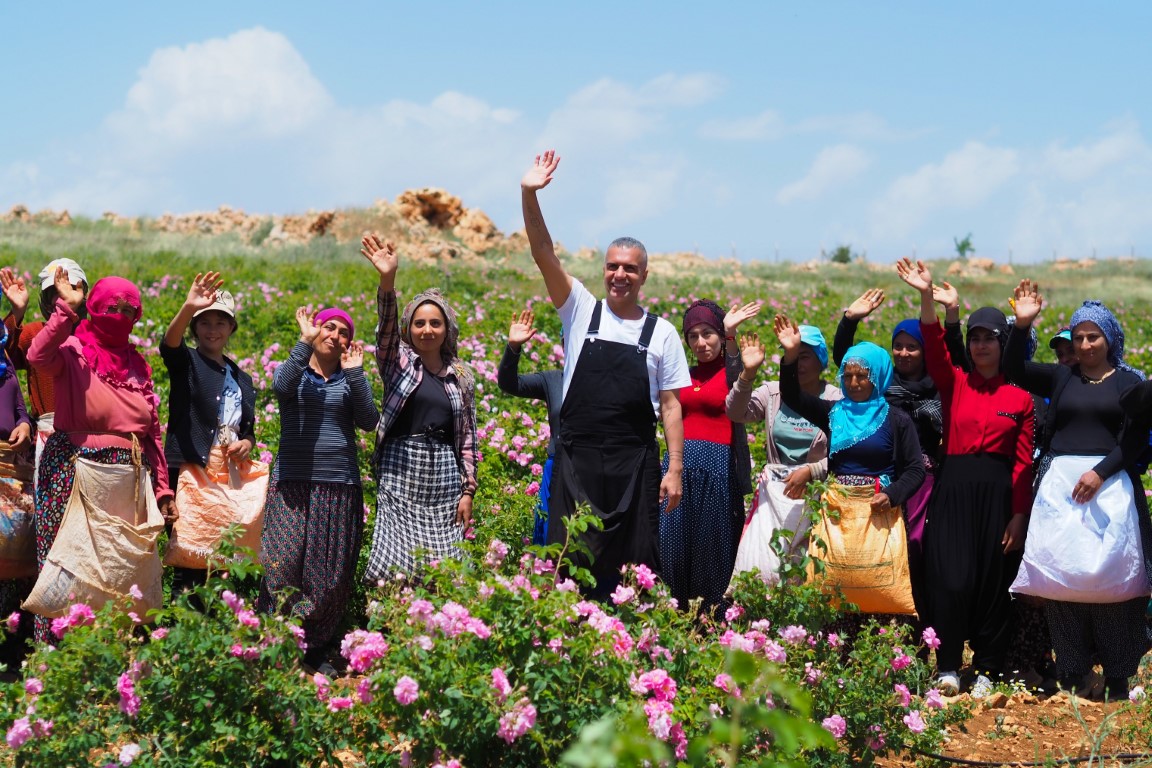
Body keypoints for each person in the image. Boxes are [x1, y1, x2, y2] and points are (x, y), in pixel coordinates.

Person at [521, 150, 690, 597]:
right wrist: (529, 193)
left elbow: (672, 407)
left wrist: (674, 469)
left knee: (636, 560)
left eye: (629, 268)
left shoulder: (663, 333)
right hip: (577, 462)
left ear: (644, 275)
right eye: (613, 266)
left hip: (634, 464)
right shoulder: (579, 310)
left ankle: (627, 643)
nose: (619, 274)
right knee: (569, 556)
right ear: (603, 270)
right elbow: (542, 252)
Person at [896, 257, 1034, 698]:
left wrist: (1018, 515)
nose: (979, 346)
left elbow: (1022, 463)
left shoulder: (1020, 398)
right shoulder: (954, 383)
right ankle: (949, 666)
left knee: (994, 580)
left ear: (1002, 343)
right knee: (950, 577)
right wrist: (925, 296)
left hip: (999, 495)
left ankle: (989, 668)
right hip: (953, 489)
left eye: (989, 338)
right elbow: (935, 346)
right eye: (973, 339)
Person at [1007, 285, 1151, 700]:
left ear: (1111, 339)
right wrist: (1022, 323)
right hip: (1060, 490)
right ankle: (1072, 672)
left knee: (1114, 584)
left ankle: (1119, 678)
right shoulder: (1062, 376)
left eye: (1094, 336)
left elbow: (1136, 441)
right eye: (1079, 337)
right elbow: (1015, 367)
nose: (1085, 344)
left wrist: (1099, 473)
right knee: (1061, 579)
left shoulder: (1128, 383)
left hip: (1108, 486)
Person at [26, 272, 175, 643]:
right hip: (76, 469)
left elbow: (152, 431)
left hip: (127, 479)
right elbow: (36, 355)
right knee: (70, 563)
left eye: (128, 309)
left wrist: (162, 489)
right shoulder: (74, 348)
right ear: (94, 307)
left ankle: (109, 652)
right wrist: (67, 309)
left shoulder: (138, 364)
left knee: (116, 569)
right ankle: (56, 654)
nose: (119, 314)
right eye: (111, 307)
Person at [257, 302, 379, 673]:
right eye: (330, 327)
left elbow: (369, 421)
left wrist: (356, 375)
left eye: (344, 332)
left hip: (339, 484)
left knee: (328, 574)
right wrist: (302, 343)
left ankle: (312, 648)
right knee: (281, 563)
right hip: (291, 482)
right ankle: (275, 641)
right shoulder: (297, 373)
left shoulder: (349, 378)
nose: (336, 336)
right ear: (317, 330)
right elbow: (279, 386)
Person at [776, 316, 925, 617]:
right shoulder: (833, 413)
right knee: (836, 579)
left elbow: (914, 469)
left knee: (877, 578)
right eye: (848, 376)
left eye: (863, 376)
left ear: (878, 377)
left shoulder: (897, 419)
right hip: (837, 513)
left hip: (879, 510)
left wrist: (893, 495)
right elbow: (792, 396)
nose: (854, 383)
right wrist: (790, 356)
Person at [359, 235, 479, 579]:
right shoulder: (397, 363)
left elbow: (468, 439)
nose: (427, 329)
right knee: (393, 565)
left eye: (435, 323)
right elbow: (384, 330)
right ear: (409, 329)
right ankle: (389, 628)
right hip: (400, 471)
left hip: (443, 479)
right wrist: (387, 281)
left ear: (447, 329)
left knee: (446, 570)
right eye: (420, 323)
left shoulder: (461, 376)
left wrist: (467, 490)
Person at [659, 298, 760, 615]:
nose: (701, 343)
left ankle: (711, 621)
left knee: (712, 549)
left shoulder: (734, 374)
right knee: (671, 547)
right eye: (693, 336)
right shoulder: (682, 374)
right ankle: (672, 616)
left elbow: (738, 374)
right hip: (680, 470)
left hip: (719, 471)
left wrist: (732, 335)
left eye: (708, 334)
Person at [160, 272, 258, 593]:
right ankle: (185, 621)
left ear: (231, 328)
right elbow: (168, 345)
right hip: (190, 469)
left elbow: (248, 430)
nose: (212, 329)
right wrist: (189, 306)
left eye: (221, 322)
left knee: (220, 555)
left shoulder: (242, 378)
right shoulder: (187, 361)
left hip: (225, 472)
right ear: (194, 329)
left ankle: (213, 624)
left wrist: (246, 442)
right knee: (189, 552)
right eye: (204, 322)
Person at [726, 326, 842, 584]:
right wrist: (748, 374)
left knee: (806, 570)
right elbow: (736, 412)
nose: (798, 363)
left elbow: (845, 452)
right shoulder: (772, 392)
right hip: (775, 494)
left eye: (805, 356)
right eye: (792, 355)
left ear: (820, 360)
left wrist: (813, 470)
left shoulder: (836, 398)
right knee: (766, 564)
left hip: (815, 494)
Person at [1, 260, 89, 486]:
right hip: (47, 433)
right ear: (47, 301)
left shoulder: (92, 339)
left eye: (70, 289)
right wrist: (17, 312)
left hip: (89, 435)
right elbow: (5, 354)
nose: (64, 295)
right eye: (56, 292)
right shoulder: (36, 333)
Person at [497, 308, 562, 545]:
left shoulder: (605, 382)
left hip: (592, 469)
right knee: (548, 536)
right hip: (557, 466)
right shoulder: (554, 379)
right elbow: (509, 383)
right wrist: (513, 347)